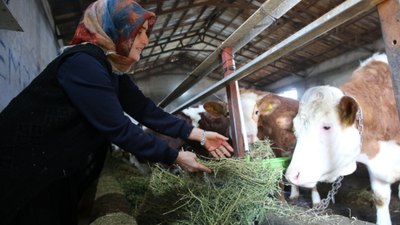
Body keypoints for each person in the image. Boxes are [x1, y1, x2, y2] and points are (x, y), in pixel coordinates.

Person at [0, 0, 234, 224]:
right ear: (118, 29)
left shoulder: (108, 67)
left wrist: (200, 135)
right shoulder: (83, 63)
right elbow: (118, 128)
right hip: (21, 161)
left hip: (51, 163)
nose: (145, 40)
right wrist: (176, 157)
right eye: (138, 32)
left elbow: (145, 110)